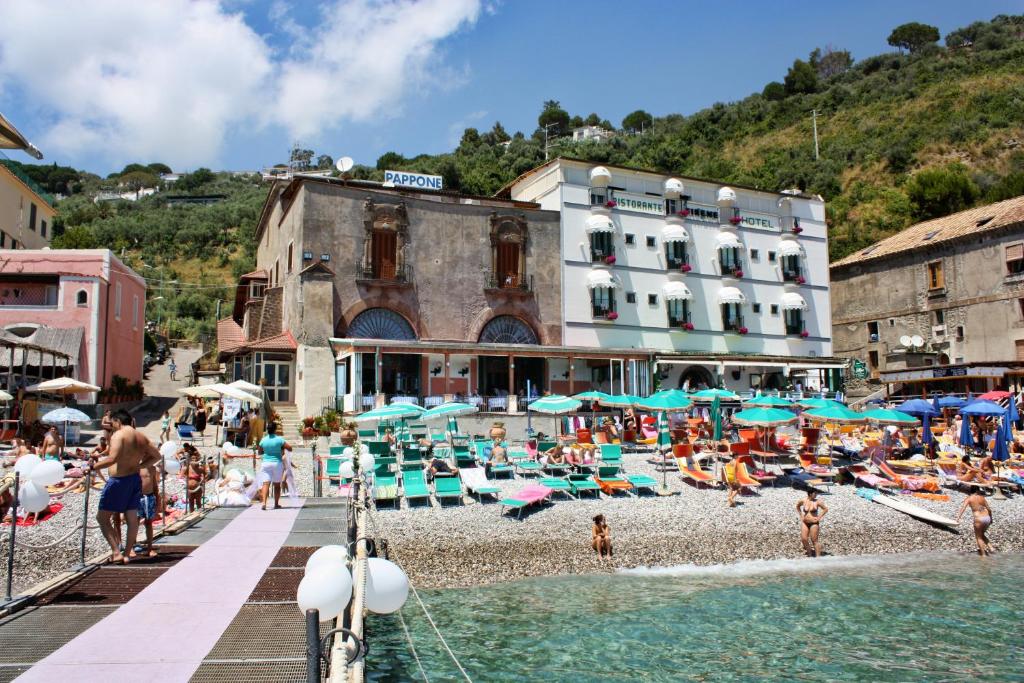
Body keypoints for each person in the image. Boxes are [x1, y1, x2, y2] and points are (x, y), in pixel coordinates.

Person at [89, 409, 160, 565]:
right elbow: (157, 456)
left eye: (112, 423)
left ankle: (116, 552)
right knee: (132, 519)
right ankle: (127, 554)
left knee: (102, 518)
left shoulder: (118, 435)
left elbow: (112, 458)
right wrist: (140, 466)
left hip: (118, 480)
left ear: (118, 421)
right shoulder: (141, 436)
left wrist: (93, 467)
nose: (112, 426)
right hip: (134, 479)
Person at [257, 422, 292, 510]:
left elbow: (260, 452)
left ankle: (264, 503)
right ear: (275, 429)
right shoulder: (279, 439)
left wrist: (267, 451)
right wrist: (281, 448)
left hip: (266, 463)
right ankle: (276, 504)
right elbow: (290, 448)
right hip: (277, 463)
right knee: (276, 485)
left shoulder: (263, 440)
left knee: (265, 484)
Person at [132, 459, 159, 559]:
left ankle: (150, 548)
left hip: (149, 496)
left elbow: (154, 485)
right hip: (137, 497)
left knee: (148, 523)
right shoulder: (135, 467)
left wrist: (158, 500)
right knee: (134, 522)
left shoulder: (152, 468)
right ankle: (132, 547)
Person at [957, 487, 994, 556]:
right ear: (977, 490)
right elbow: (989, 509)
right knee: (981, 534)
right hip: (987, 518)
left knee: (978, 537)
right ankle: (991, 548)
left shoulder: (969, 498)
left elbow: (963, 508)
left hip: (979, 519)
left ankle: (983, 555)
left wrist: (958, 518)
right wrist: (991, 518)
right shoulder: (982, 498)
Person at [796, 489, 827, 557]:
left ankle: (818, 557)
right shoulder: (803, 500)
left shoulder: (817, 502)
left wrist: (819, 517)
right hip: (805, 522)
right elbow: (797, 506)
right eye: (815, 493)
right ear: (810, 494)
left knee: (814, 540)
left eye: (816, 493)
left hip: (814, 523)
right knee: (804, 539)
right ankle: (810, 554)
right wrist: (801, 515)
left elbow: (825, 509)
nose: (816, 495)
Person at [183, 447, 206, 512]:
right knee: (191, 501)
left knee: (198, 501)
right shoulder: (188, 467)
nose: (194, 460)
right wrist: (186, 480)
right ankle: (191, 513)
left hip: (198, 487)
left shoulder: (200, 468)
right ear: (190, 459)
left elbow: (206, 474)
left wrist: (203, 480)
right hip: (190, 487)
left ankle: (199, 512)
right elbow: (183, 474)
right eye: (193, 458)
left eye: (196, 459)